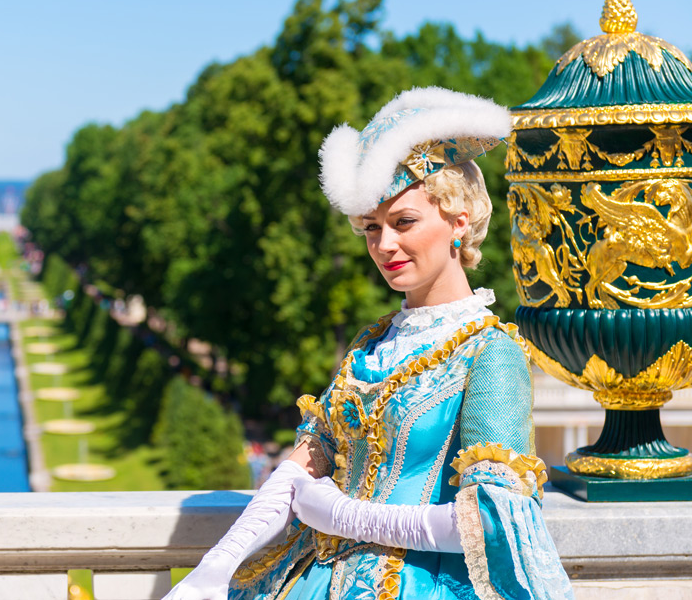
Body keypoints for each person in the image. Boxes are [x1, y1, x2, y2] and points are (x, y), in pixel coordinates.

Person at [163, 87, 573, 600]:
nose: (384, 246)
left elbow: (493, 523)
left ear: (458, 221)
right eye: (370, 228)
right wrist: (216, 567)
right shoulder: (372, 343)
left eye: (403, 223)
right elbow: (303, 467)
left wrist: (343, 515)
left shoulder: (491, 353)